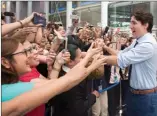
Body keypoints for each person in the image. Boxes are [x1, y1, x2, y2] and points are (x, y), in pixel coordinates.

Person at [1, 38, 106, 116]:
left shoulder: (17, 84)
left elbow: (53, 84)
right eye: (24, 52)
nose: (31, 54)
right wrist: (89, 61)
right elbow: (62, 83)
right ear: (5, 62)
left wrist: (57, 63)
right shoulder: (6, 91)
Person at [102, 10, 157, 116]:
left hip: (145, 98)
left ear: (145, 25)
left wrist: (95, 58)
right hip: (133, 94)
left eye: (134, 23)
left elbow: (121, 60)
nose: (130, 26)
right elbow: (121, 54)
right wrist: (104, 47)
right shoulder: (138, 41)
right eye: (130, 22)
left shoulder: (147, 45)